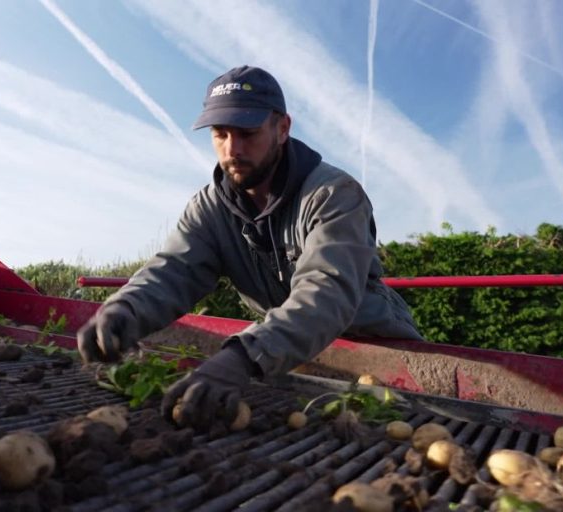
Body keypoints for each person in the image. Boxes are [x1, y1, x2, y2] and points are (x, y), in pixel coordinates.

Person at [77, 65, 422, 428]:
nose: (232, 149)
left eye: (247, 133)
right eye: (220, 134)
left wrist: (241, 358)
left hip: (385, 359)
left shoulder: (333, 195)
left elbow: (327, 292)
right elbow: (174, 271)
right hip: (289, 353)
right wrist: (125, 309)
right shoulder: (208, 209)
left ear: (282, 128)